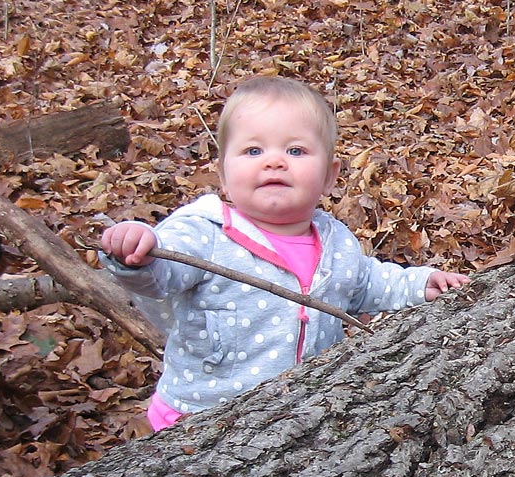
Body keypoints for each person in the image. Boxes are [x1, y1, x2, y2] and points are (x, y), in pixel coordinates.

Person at [100, 75, 469, 432]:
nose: (274, 162)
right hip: (202, 413)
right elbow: (161, 275)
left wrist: (421, 283)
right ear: (223, 174)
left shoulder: (334, 240)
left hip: (297, 412)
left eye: (295, 150)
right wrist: (137, 249)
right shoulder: (204, 230)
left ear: (329, 175)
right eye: (253, 150)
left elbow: (365, 283)